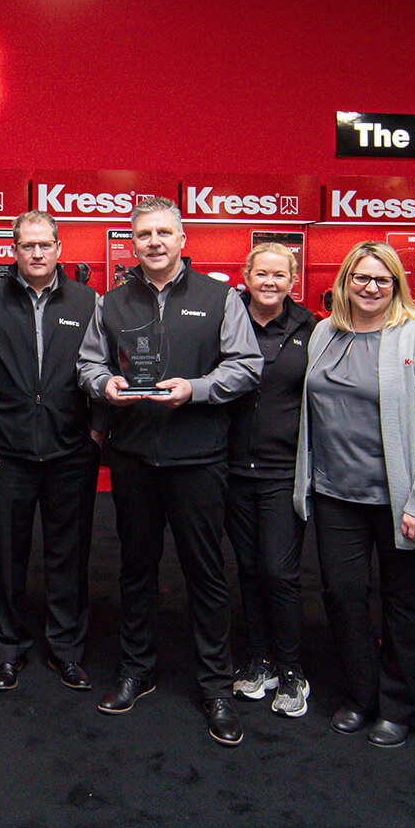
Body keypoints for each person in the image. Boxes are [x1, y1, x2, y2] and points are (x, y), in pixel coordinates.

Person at [77, 197, 262, 746]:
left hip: (198, 457)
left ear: (183, 239)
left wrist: (196, 389)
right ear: (132, 244)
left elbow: (247, 366)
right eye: (144, 235)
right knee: (136, 568)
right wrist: (103, 385)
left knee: (205, 574)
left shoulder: (220, 297)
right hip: (134, 457)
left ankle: (216, 687)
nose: (154, 242)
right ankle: (138, 670)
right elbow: (88, 363)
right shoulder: (111, 303)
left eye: (164, 233)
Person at [292, 241, 415, 749]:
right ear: (344, 282)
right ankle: (361, 697)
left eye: (382, 280)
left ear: (396, 286)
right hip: (335, 494)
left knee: (404, 604)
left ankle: (399, 706)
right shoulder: (325, 333)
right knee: (343, 598)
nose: (370, 288)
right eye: (360, 278)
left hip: (399, 502)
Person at [0, 210, 102, 693]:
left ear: (59, 249)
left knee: (70, 555)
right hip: (7, 451)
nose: (37, 253)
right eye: (28, 245)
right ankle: (8, 649)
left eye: (45, 245)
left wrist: (98, 428)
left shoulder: (87, 300)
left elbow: (101, 364)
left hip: (72, 450)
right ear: (14, 250)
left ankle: (67, 650)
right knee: (9, 556)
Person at [225, 243, 315, 717]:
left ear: (292, 281)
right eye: (261, 273)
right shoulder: (227, 320)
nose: (270, 282)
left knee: (279, 571)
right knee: (248, 568)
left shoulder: (310, 329)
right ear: (247, 276)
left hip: (284, 471)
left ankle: (293, 668)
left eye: (280, 275)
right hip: (233, 469)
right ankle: (260, 661)